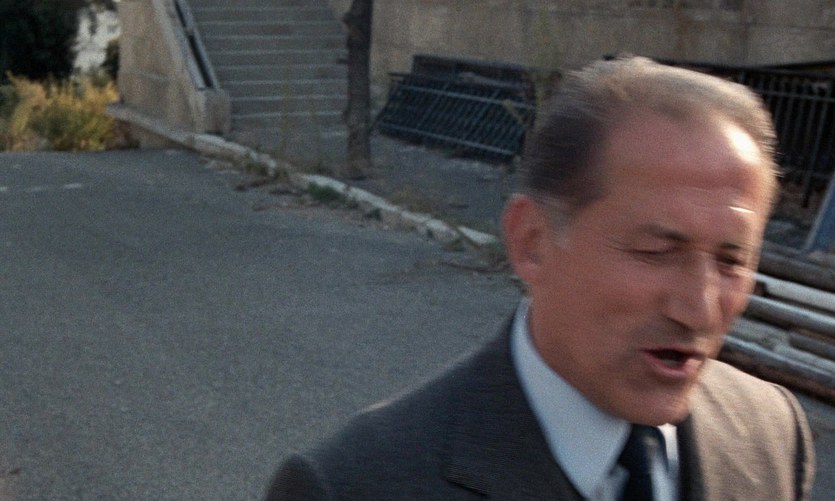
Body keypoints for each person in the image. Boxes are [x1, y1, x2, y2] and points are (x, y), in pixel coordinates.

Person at [265, 56, 816, 500]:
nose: (699, 307)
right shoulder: (353, 486)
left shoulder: (770, 433)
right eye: (655, 251)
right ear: (532, 241)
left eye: (731, 261)